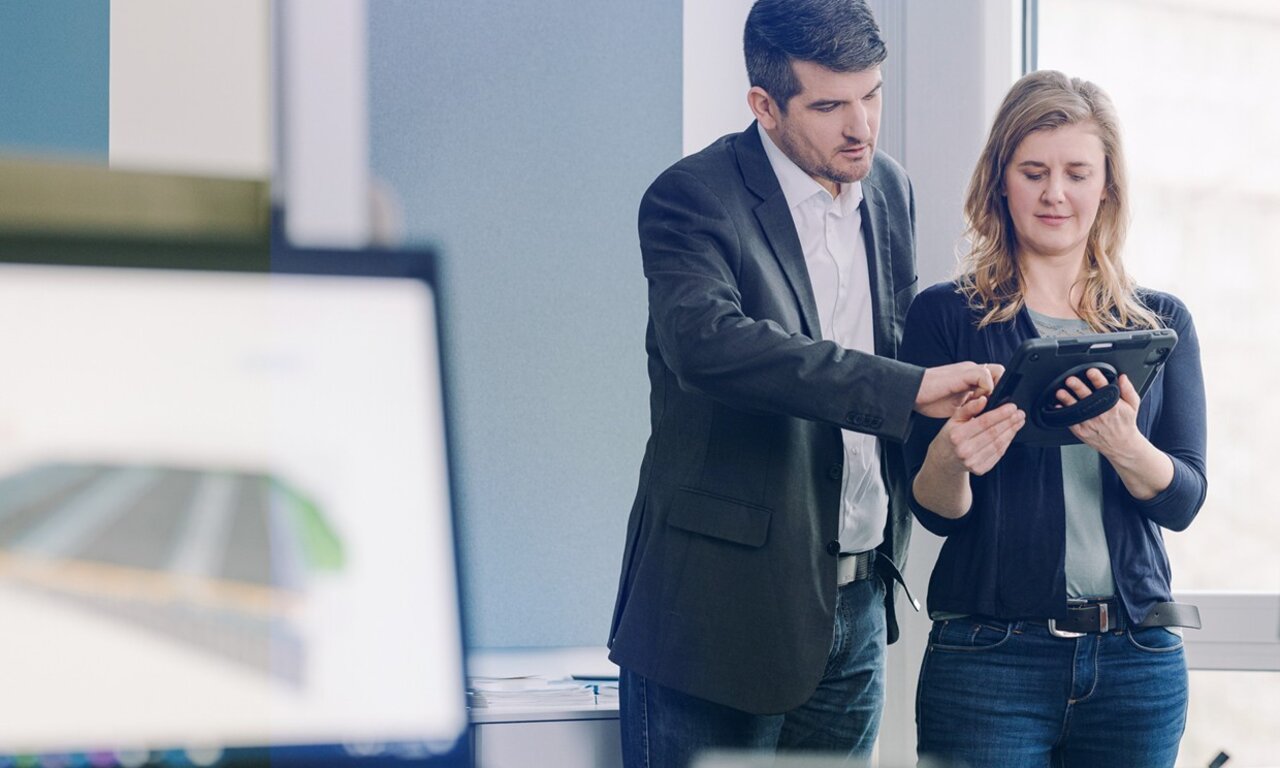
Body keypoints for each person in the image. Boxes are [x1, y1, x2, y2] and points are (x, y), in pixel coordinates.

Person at [606, 1, 997, 765]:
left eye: (873, 94)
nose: (862, 126)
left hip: (853, 605)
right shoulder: (691, 197)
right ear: (764, 105)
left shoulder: (889, 190)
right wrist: (903, 387)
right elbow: (711, 347)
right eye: (829, 105)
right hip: (720, 610)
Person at [900, 69, 1207, 768]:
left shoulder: (1163, 323)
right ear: (1000, 181)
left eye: (1076, 172)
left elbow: (1185, 498)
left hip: (1138, 662)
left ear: (1107, 187)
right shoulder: (946, 318)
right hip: (989, 664)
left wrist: (1125, 447)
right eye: (1033, 171)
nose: (1055, 193)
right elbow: (934, 511)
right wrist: (954, 456)